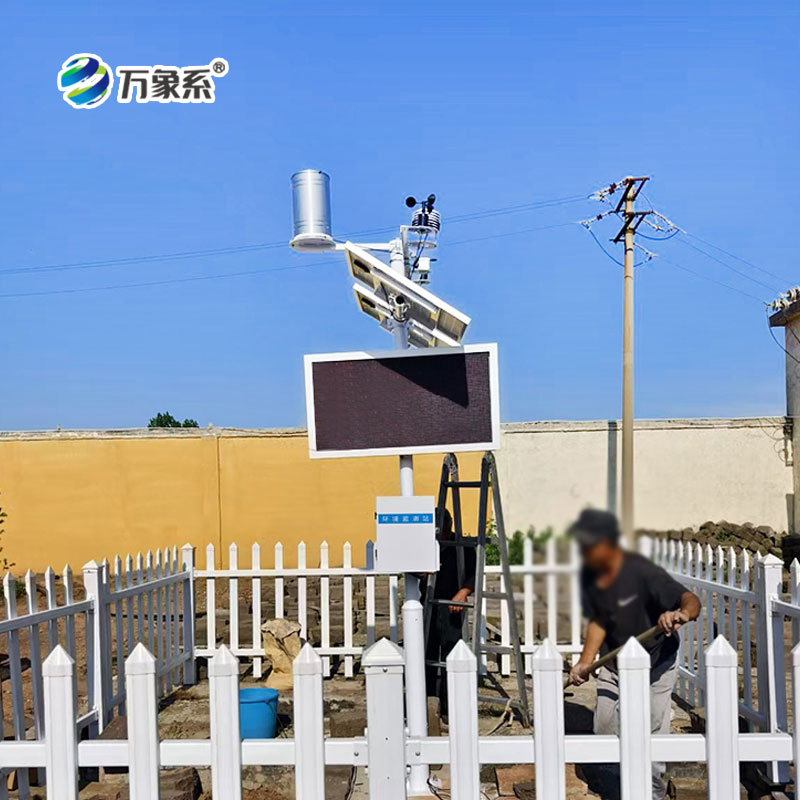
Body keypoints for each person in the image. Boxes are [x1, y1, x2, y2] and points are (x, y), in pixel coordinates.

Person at [567, 509, 701, 800]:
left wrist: (681, 614)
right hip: (614, 664)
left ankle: (652, 793)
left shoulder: (643, 573)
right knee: (604, 728)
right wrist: (585, 662)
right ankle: (617, 790)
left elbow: (691, 600)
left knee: (650, 731)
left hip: (657, 664)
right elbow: (599, 620)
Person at [424, 508, 476, 719]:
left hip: (452, 607)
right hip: (428, 605)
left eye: (443, 527)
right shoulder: (425, 546)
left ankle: (448, 707)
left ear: (450, 524)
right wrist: (422, 571)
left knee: (451, 656)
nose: (440, 532)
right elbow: (410, 569)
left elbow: (474, 574)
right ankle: (426, 706)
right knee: (425, 654)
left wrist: (463, 593)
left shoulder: (462, 547)